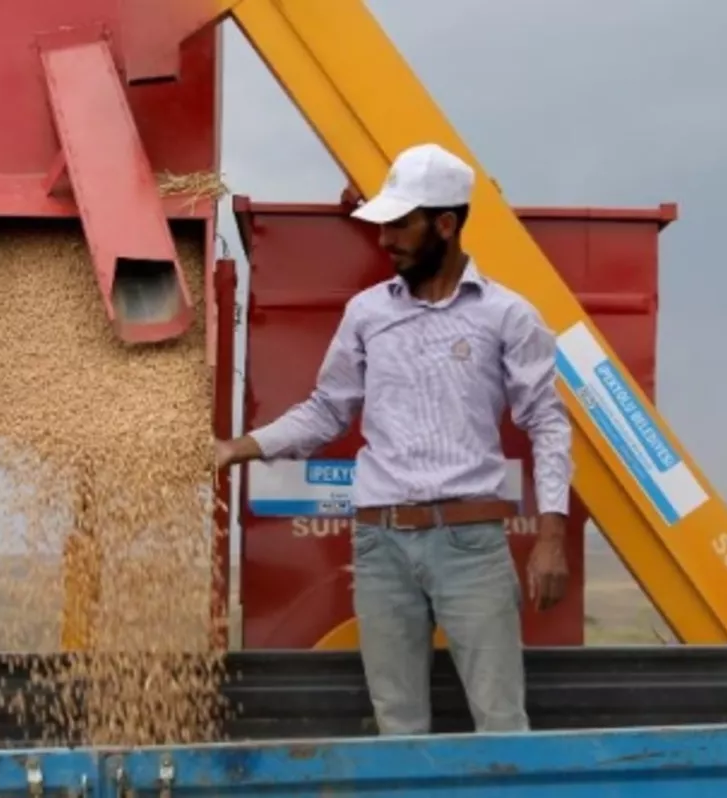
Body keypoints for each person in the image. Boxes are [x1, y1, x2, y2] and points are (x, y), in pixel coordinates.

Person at [215, 142, 572, 736]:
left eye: (400, 225)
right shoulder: (366, 314)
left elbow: (547, 421)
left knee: (501, 719)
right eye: (382, 226)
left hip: (470, 545)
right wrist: (237, 447)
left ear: (446, 223)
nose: (385, 241)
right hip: (380, 548)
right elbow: (328, 410)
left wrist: (552, 535)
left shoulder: (507, 316)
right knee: (397, 725)